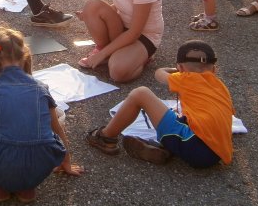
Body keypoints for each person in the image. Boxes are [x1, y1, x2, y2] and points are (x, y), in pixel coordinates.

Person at [0, 26, 83, 203]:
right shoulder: (41, 88)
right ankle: (27, 190)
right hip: (39, 168)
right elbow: (57, 129)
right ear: (24, 57)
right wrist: (66, 162)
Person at [85, 40, 234, 169]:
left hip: (195, 146)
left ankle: (106, 137)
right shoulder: (221, 87)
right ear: (214, 69)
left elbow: (159, 74)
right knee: (179, 118)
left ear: (181, 69)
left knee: (140, 93)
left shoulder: (185, 78)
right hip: (217, 151)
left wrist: (175, 70)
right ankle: (166, 149)